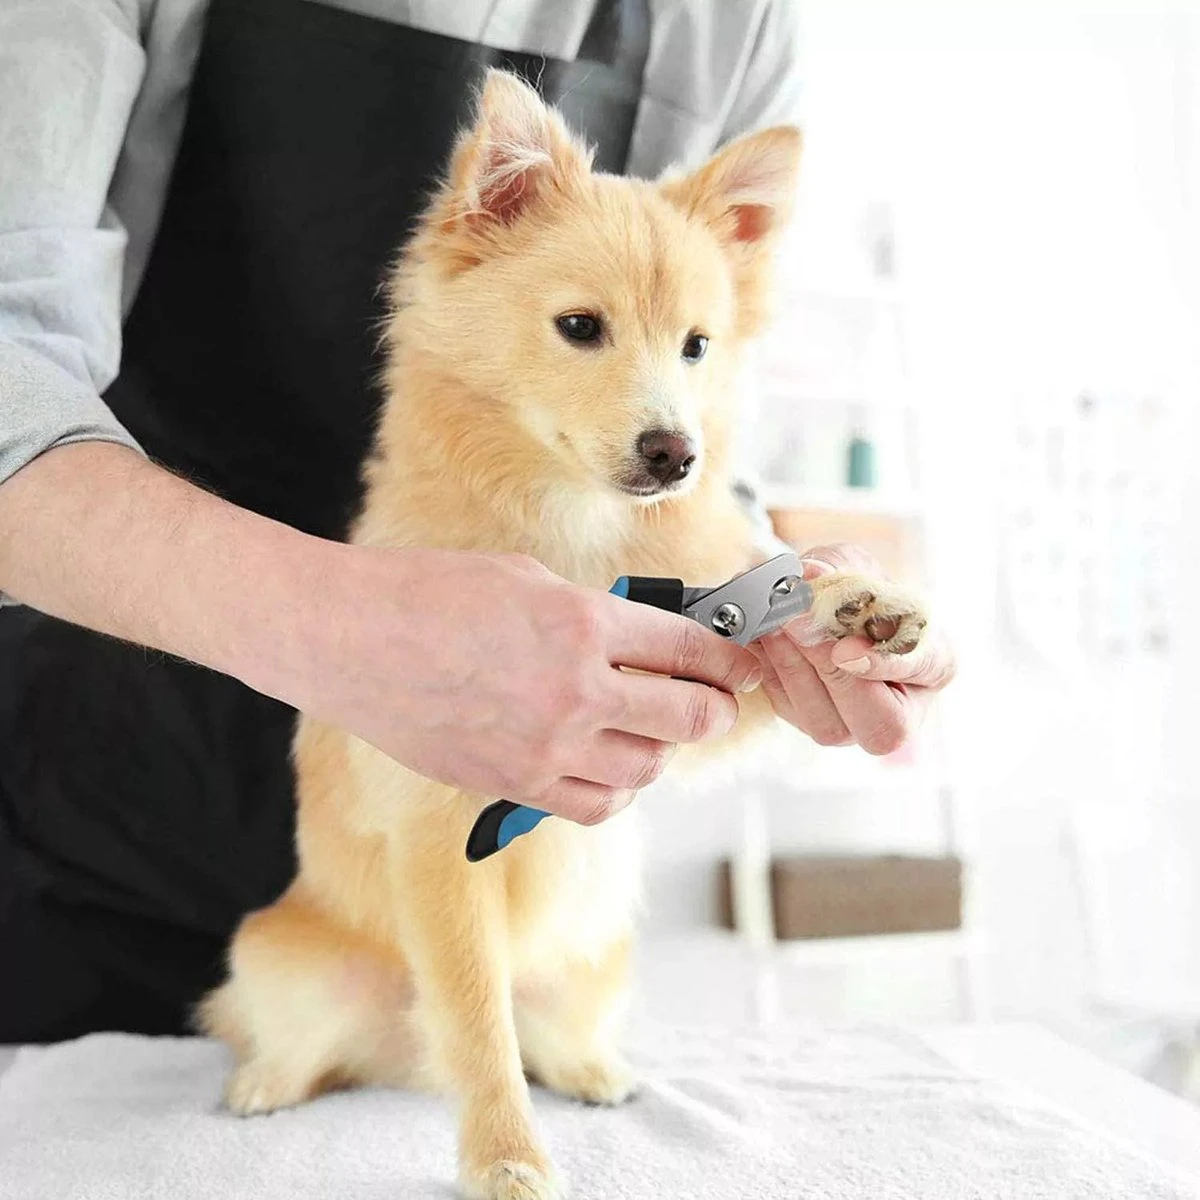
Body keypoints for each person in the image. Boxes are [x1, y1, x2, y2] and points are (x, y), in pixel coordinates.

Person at [0, 0, 954, 1042]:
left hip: (497, 930)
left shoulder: (732, 23)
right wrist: (349, 632)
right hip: (94, 825)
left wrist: (775, 602)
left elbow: (696, 431)